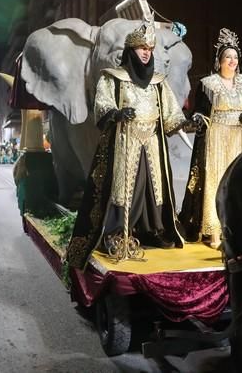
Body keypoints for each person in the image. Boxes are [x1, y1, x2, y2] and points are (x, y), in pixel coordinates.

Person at [67, 18, 187, 269]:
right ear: (131, 50)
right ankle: (116, 233)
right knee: (125, 185)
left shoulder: (159, 82)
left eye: (149, 49)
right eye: (141, 48)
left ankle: (152, 229)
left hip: (152, 142)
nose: (146, 53)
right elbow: (103, 105)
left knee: (153, 186)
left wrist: (186, 124)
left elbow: (171, 113)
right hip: (125, 141)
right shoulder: (113, 78)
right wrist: (117, 114)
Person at [178, 28, 242, 248]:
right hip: (215, 140)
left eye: (235, 57)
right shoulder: (208, 84)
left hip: (239, 140)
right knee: (215, 182)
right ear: (220, 60)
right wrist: (197, 119)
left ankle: (236, 228)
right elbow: (201, 111)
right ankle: (213, 230)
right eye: (228, 57)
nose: (232, 61)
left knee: (237, 183)